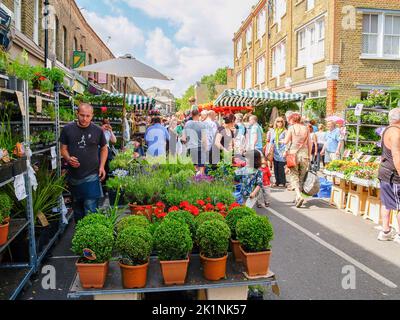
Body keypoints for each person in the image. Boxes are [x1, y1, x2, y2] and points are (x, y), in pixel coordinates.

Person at [60, 103, 108, 222]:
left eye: (88, 116)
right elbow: (63, 149)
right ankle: (80, 237)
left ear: (92, 116)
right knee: (78, 210)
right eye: (82, 115)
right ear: (77, 114)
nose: (84, 119)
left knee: (90, 208)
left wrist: (102, 166)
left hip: (92, 175)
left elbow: (104, 148)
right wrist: (68, 158)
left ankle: (89, 238)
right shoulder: (67, 129)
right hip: (74, 176)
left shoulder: (97, 130)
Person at [377, 108, 400, 243]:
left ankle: (385, 231)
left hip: (385, 171)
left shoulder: (386, 130)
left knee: (387, 203)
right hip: (394, 174)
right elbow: (397, 155)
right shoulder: (396, 134)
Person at [283, 112, 312, 208]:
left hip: (293, 154)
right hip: (304, 155)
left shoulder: (291, 128)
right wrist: (310, 155)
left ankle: (299, 196)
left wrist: (281, 141)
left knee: (293, 175)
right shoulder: (306, 128)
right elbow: (309, 143)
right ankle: (297, 197)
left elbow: (286, 141)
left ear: (292, 119)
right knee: (301, 176)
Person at [181, 110, 207, 174]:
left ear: (191, 115)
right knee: (201, 166)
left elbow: (183, 138)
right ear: (198, 115)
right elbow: (204, 139)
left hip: (191, 147)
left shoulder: (187, 124)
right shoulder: (202, 125)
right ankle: (201, 179)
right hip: (200, 147)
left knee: (194, 166)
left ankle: (194, 180)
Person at [270, 117, 287, 187]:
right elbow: (271, 141)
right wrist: (270, 149)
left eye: (281, 121)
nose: (279, 123)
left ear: (283, 123)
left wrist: (280, 142)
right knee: (275, 167)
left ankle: (283, 182)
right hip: (275, 151)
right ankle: (277, 181)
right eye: (278, 121)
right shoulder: (274, 131)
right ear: (275, 123)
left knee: (281, 167)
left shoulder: (285, 131)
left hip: (282, 151)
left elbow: (287, 141)